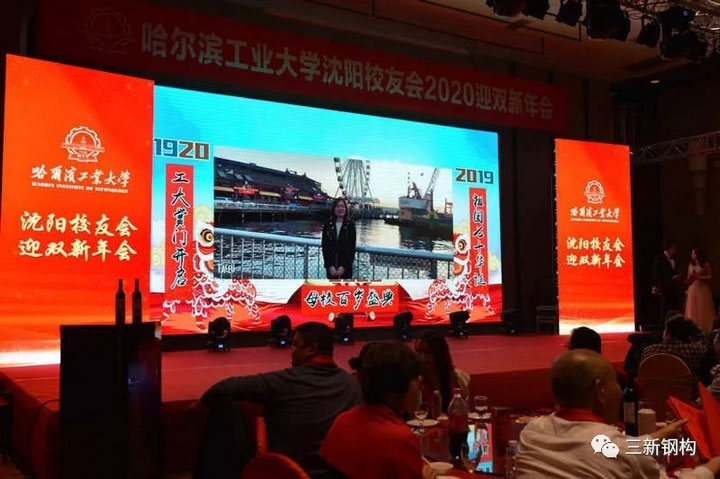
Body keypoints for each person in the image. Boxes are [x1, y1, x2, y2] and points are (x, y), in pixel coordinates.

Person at [515, 349, 720, 479]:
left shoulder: (531, 432)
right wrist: (712, 466)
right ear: (599, 388)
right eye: (614, 381)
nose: (620, 391)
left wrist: (659, 436)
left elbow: (603, 447)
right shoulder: (623, 453)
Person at [194, 322, 362, 479]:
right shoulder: (352, 384)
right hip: (339, 474)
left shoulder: (284, 382)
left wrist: (196, 408)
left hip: (288, 472)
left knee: (225, 411)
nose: (292, 351)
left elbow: (225, 388)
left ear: (311, 349)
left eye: (295, 345)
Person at [320, 342, 437, 479]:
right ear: (395, 389)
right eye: (416, 379)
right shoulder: (400, 439)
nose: (420, 386)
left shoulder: (341, 421)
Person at [641, 313, 710, 391]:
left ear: (666, 333)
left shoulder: (648, 351)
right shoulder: (693, 351)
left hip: (653, 396)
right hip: (684, 396)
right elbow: (704, 340)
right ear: (688, 336)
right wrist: (693, 326)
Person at [415, 331, 470, 412]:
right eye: (419, 352)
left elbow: (465, 411)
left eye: (428, 353)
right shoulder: (416, 381)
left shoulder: (459, 378)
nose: (422, 357)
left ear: (439, 353)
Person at [321, 198, 356, 280]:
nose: (340, 208)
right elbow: (325, 246)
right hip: (331, 267)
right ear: (334, 209)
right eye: (337, 206)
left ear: (346, 209)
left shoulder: (350, 225)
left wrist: (343, 266)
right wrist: (330, 265)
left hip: (345, 267)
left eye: (342, 206)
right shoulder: (327, 224)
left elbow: (351, 248)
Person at [652, 240, 683, 327]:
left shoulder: (673, 259)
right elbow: (655, 272)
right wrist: (654, 285)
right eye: (674, 248)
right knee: (664, 308)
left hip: (673, 287)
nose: (675, 250)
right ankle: (663, 328)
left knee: (674, 308)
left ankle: (673, 327)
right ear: (669, 248)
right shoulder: (660, 258)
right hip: (664, 287)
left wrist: (676, 277)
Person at [685, 249, 715, 333]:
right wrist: (689, 279)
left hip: (702, 288)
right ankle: (693, 328)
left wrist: (700, 277)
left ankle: (704, 328)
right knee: (693, 309)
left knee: (702, 308)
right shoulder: (691, 264)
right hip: (693, 288)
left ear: (697, 254)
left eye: (693, 253)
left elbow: (710, 276)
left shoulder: (705, 264)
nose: (692, 255)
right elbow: (688, 276)